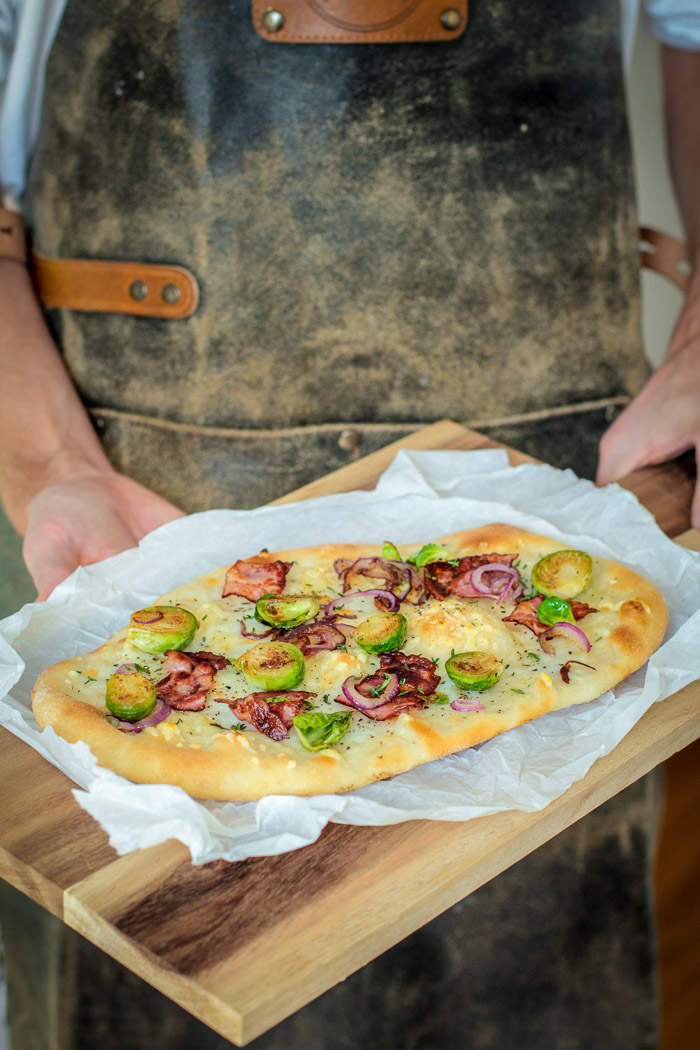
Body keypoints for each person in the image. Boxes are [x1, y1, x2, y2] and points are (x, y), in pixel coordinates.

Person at [0, 2, 698, 1049]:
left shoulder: (586, 600)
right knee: (166, 951)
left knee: (530, 968)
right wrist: (50, 460)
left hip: (554, 464)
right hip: (129, 478)